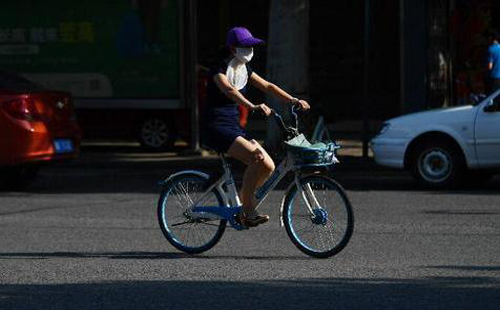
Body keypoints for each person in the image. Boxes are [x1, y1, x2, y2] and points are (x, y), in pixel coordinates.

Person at [202, 27, 310, 228]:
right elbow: (228, 90)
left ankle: (245, 204)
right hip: (216, 126)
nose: (250, 50)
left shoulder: (243, 67)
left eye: (252, 46)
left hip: (233, 124)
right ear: (233, 48)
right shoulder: (218, 69)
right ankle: (248, 211)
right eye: (246, 46)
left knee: (268, 166)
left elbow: (268, 86)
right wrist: (252, 106)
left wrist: (293, 100)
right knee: (256, 158)